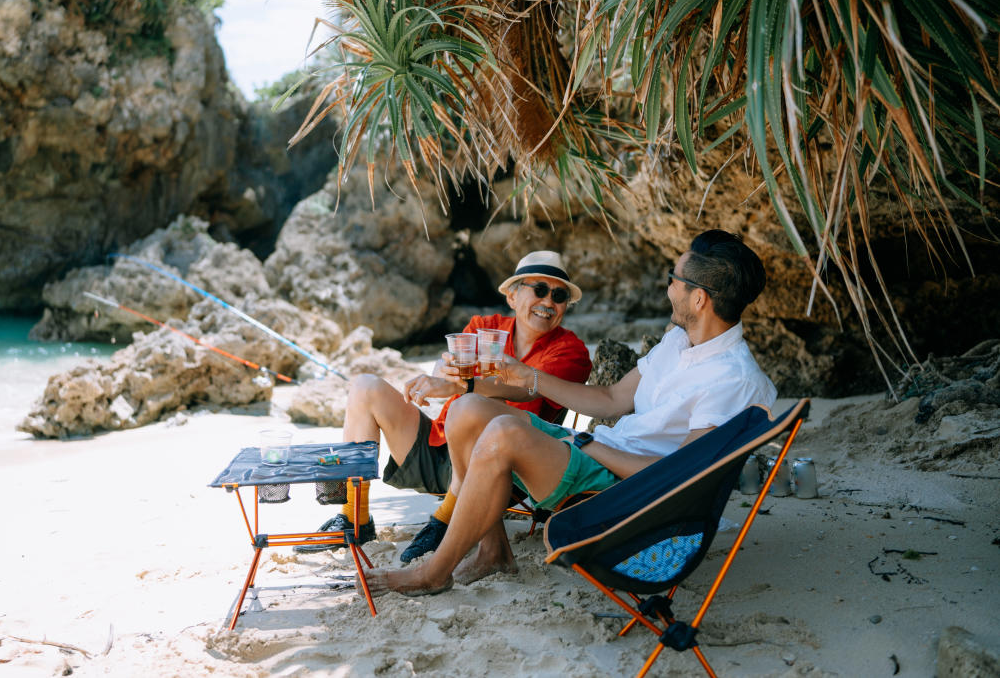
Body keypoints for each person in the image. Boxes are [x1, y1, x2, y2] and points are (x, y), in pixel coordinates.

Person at [364, 229, 777, 596]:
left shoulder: (732, 379)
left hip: (625, 489)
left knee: (503, 431)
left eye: (674, 279)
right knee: (468, 409)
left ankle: (435, 573)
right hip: (601, 451)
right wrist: (529, 377)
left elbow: (682, 478)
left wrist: (591, 445)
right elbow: (613, 399)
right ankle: (493, 551)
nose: (668, 287)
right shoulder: (678, 341)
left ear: (699, 298)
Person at [296, 251, 592, 560]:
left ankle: (447, 517)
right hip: (442, 444)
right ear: (513, 297)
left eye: (559, 296)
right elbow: (449, 365)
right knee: (364, 387)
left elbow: (524, 392)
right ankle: (355, 517)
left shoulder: (570, 351)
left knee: (477, 409)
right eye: (540, 290)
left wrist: (464, 385)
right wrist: (438, 377)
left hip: (500, 465)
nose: (548, 302)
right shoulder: (485, 325)